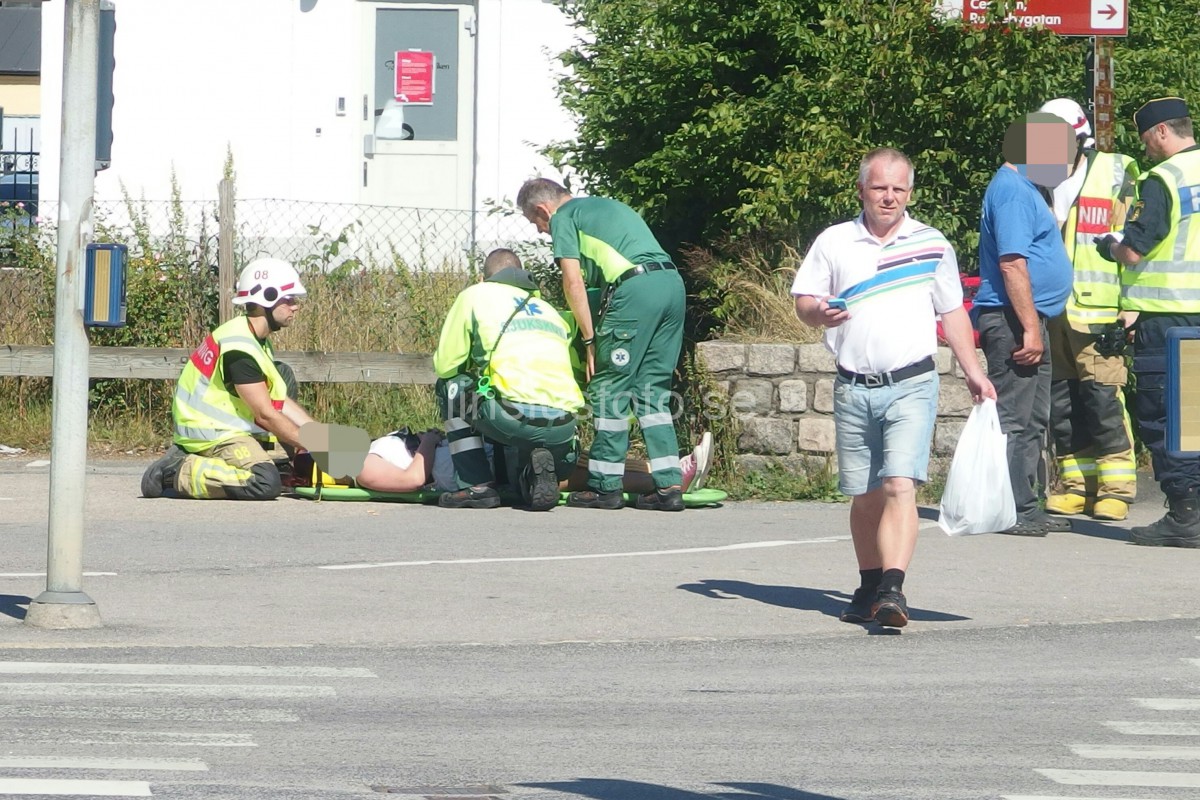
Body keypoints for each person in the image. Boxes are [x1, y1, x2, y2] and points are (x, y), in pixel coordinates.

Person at [792, 147, 995, 628]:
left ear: (910, 193)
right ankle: (868, 584)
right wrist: (818, 312)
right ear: (861, 189)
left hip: (912, 382)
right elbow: (803, 301)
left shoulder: (931, 243)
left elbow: (951, 312)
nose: (889, 197)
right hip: (854, 386)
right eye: (879, 187)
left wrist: (973, 370)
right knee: (864, 495)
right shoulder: (835, 242)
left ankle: (892, 590)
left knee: (901, 485)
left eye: (898, 189)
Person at [516, 178, 688, 511]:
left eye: (534, 222)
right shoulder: (605, 206)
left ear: (542, 209)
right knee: (653, 389)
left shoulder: (565, 217)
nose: (539, 231)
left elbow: (573, 281)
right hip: (671, 285)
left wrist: (590, 339)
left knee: (611, 386)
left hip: (636, 290)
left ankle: (604, 486)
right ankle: (669, 486)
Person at [1097, 96, 1200, 548]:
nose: (1147, 150)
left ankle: (1185, 513)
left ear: (1161, 132)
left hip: (1170, 318)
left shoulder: (1164, 179)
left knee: (1170, 417)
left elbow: (1135, 249)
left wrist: (1110, 245)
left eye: (1146, 140)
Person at [1037, 98, 1140, 522]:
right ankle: (1075, 483)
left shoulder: (1116, 172)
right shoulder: (1035, 178)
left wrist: (1132, 304)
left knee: (1101, 400)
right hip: (1053, 310)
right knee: (1061, 404)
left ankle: (1117, 487)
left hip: (1099, 309)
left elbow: (1139, 245)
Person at [973, 112, 1076, 536]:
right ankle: (1012, 508)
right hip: (1015, 321)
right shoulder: (1013, 192)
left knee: (1034, 416)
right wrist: (1030, 328)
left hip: (1030, 319)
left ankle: (1027, 504)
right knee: (1015, 418)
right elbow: (1013, 264)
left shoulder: (1025, 188)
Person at [141, 258, 319, 500]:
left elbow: (280, 402)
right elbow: (265, 414)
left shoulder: (253, 337)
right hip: (212, 435)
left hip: (230, 428)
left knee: (282, 373)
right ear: (267, 297)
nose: (296, 306)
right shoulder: (239, 349)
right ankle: (176, 471)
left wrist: (319, 437)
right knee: (264, 483)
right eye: (289, 299)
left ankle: (277, 461)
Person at [432, 248, 585, 511]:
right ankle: (533, 472)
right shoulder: (551, 311)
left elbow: (446, 365)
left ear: (483, 278)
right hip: (565, 426)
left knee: (451, 387)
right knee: (513, 398)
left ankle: (476, 485)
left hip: (511, 418)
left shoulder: (474, 296)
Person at [353, 427, 713, 497]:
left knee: (583, 463)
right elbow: (414, 479)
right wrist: (429, 442)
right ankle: (664, 480)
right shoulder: (363, 466)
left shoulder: (374, 446)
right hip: (482, 470)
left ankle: (661, 470)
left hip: (480, 456)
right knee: (581, 474)